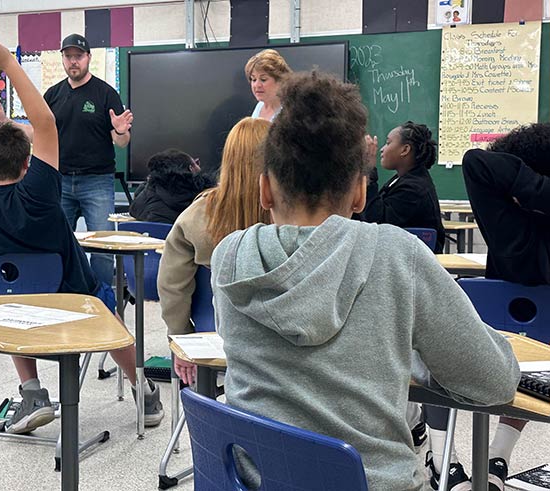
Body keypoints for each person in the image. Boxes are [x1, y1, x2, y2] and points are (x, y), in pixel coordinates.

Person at [210, 71, 520, 490]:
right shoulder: (397, 255)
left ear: (264, 190)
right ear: (360, 193)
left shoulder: (230, 255)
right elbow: (494, 381)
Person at [0, 36, 163, 434]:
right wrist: (8, 63)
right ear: (28, 162)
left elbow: (40, 130)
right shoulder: (39, 192)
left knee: (12, 302)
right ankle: (143, 388)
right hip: (75, 300)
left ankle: (32, 391)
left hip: (17, 312)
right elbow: (45, 124)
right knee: (106, 308)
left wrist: (3, 120)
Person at [428, 123, 550, 491]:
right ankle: (498, 456)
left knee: (431, 341)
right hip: (540, 356)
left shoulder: (508, 226)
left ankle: (442, 460)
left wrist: (526, 189)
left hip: (496, 348)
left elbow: (477, 161)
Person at [0, 33, 131, 287]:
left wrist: (121, 131)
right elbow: (39, 134)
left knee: (103, 248)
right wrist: (6, 122)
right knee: (52, 243)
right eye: (68, 57)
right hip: (58, 181)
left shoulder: (105, 93)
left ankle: (101, 301)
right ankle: (60, 294)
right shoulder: (54, 95)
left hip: (97, 181)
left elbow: (121, 142)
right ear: (63, 59)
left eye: (78, 56)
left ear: (88, 58)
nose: (73, 62)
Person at [157, 117, 271, 385]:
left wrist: (182, 339)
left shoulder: (197, 214)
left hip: (213, 336)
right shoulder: (292, 213)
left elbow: (172, 284)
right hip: (278, 350)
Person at [362, 122, 446, 253]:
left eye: (388, 143)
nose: (382, 149)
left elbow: (377, 222)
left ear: (405, 150)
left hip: (415, 264)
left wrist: (369, 169)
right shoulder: (403, 179)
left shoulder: (414, 188)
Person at [129, 149, 214, 224]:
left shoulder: (145, 199)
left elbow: (134, 210)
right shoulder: (204, 199)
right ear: (191, 169)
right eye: (196, 163)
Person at [244, 49, 291, 122]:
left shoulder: (289, 111)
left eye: (263, 79)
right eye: (253, 79)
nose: (257, 85)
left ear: (280, 80)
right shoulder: (259, 106)